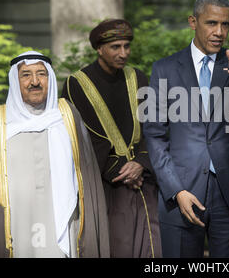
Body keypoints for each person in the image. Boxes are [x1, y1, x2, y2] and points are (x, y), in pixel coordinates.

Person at [143, 0, 229, 258]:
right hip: (183, 191)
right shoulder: (163, 69)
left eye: (226, 25)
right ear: (193, 21)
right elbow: (154, 135)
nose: (219, 32)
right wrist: (175, 190)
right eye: (212, 23)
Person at [0, 51, 110, 258]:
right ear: (15, 80)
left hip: (63, 224)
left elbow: (87, 177)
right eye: (26, 75)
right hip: (13, 226)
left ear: (50, 79)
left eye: (41, 74)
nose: (34, 82)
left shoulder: (67, 115)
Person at [61, 19, 161, 258]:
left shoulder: (138, 77)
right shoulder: (77, 84)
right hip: (106, 184)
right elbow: (80, 136)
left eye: (127, 46)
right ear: (99, 48)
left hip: (144, 178)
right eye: (116, 47)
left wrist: (141, 163)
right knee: (118, 246)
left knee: (154, 246)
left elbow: (154, 126)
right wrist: (122, 171)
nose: (123, 53)